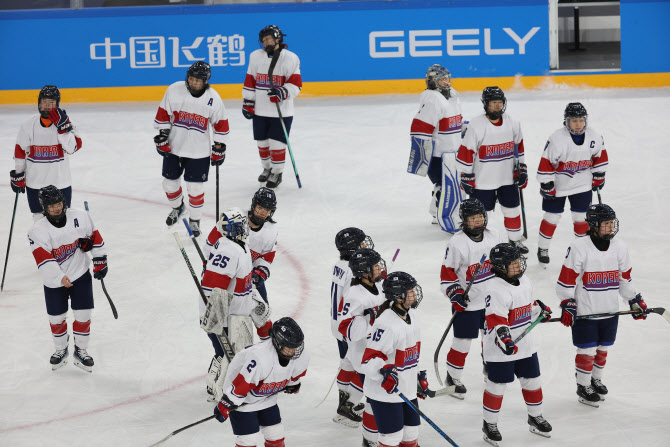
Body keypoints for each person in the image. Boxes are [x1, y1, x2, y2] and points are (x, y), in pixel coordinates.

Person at [556, 203, 647, 407]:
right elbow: (566, 280)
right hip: (586, 312)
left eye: (611, 223)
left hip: (610, 310)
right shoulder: (579, 247)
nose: (610, 227)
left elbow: (625, 280)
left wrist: (634, 299)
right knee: (587, 350)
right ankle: (583, 384)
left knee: (603, 348)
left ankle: (595, 379)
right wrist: (567, 301)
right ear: (594, 225)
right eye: (606, 224)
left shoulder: (620, 247)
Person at [27, 185, 107, 372]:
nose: (56, 208)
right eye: (51, 205)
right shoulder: (37, 231)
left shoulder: (80, 217)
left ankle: (81, 350)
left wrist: (100, 259)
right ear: (44, 208)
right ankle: (61, 349)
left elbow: (94, 237)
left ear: (64, 202)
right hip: (55, 281)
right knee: (56, 318)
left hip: (80, 274)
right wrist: (59, 276)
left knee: (83, 314)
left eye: (58, 203)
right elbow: (43, 259)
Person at [482, 243, 552, 445]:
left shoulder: (525, 281)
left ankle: (535, 416)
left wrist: (539, 311)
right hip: (500, 349)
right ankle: (490, 424)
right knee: (497, 386)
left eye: (517, 261)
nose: (518, 265)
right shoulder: (494, 289)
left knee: (533, 381)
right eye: (512, 263)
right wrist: (504, 339)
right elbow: (496, 319)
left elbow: (526, 308)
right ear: (500, 267)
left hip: (525, 344)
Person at [201, 207, 273, 402]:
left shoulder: (238, 243)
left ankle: (229, 388)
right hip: (226, 314)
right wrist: (218, 324)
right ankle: (220, 393)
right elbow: (214, 288)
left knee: (239, 353)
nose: (246, 228)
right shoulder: (227, 250)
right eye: (242, 225)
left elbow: (241, 280)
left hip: (239, 306)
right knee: (230, 355)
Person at [153, 61, 229, 236]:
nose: (194, 83)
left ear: (206, 81)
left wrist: (219, 146)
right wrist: (162, 136)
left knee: (195, 189)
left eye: (198, 80)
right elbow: (164, 114)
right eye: (192, 79)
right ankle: (178, 207)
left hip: (198, 152)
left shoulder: (213, 98)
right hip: (173, 148)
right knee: (169, 184)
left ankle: (195, 220)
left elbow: (221, 124)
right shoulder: (174, 89)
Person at [439, 198, 505, 398]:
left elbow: (503, 264)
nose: (477, 222)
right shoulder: (457, 243)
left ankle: (490, 367)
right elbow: (447, 274)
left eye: (480, 218)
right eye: (472, 219)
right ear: (464, 221)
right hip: (468, 302)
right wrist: (455, 293)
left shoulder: (494, 236)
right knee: (463, 341)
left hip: (491, 300)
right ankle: (453, 376)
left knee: (492, 337)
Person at [213, 317, 309, 447]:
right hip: (242, 399)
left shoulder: (299, 355)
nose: (294, 351)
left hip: (266, 397)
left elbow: (293, 375)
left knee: (275, 432)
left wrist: (293, 384)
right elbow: (241, 385)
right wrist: (226, 403)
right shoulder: (260, 358)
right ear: (277, 343)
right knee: (249, 439)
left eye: (296, 346)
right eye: (289, 347)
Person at [457, 87, 529, 254]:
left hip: (507, 177)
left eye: (500, 103)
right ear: (485, 105)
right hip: (483, 179)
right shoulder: (476, 125)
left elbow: (519, 147)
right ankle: (480, 243)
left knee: (512, 210)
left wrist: (521, 169)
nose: (497, 106)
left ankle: (515, 240)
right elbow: (466, 152)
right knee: (481, 214)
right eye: (493, 103)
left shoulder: (513, 123)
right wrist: (466, 175)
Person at [536, 102, 608, 265]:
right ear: (567, 121)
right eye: (574, 120)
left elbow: (599, 156)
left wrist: (599, 174)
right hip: (558, 183)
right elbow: (546, 161)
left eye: (581, 120)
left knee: (581, 217)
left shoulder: (594, 136)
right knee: (552, 217)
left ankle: (582, 251)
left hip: (582, 183)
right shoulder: (557, 138)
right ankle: (543, 247)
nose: (578, 124)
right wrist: (546, 183)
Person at [361, 271, 426, 447]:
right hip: (386, 393)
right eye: (410, 291)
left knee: (411, 434)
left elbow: (412, 353)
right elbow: (369, 360)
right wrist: (384, 372)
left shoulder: (413, 317)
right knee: (392, 438)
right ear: (398, 296)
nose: (414, 293)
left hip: (407, 388)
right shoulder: (385, 324)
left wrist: (418, 376)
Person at [337, 248, 387, 447]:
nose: (379, 268)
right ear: (365, 271)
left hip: (379, 350)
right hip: (365, 356)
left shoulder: (379, 286)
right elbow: (345, 330)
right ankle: (370, 440)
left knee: (377, 398)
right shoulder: (355, 295)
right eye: (375, 266)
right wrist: (370, 318)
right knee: (374, 400)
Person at [242, 25, 302, 188]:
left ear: (278, 38)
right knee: (262, 142)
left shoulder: (290, 58)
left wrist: (282, 92)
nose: (266, 42)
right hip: (260, 110)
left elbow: (296, 85)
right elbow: (250, 80)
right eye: (264, 40)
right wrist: (248, 102)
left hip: (281, 111)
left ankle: (277, 172)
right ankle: (267, 168)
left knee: (277, 144)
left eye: (269, 39)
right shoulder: (255, 56)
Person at [11, 85, 83, 222]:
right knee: (39, 221)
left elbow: (72, 148)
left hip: (61, 182)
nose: (47, 106)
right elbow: (20, 151)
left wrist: (63, 131)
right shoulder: (28, 124)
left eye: (51, 103)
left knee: (64, 220)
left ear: (57, 104)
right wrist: (19, 174)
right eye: (44, 102)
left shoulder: (67, 123)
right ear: (39, 103)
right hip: (35, 184)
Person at [408, 64, 464, 232]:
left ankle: (435, 211)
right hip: (439, 154)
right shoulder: (433, 99)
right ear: (433, 82)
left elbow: (456, 123)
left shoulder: (452, 96)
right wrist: (423, 155)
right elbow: (420, 128)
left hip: (453, 152)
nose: (446, 83)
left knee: (446, 184)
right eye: (442, 80)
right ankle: (444, 216)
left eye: (447, 79)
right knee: (446, 184)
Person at [331, 228, 375, 427]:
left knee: (348, 362)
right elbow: (354, 301)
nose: (365, 245)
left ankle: (344, 405)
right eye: (361, 243)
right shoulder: (352, 270)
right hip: (349, 327)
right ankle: (349, 405)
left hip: (337, 324)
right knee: (361, 364)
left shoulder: (340, 265)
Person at [248, 187, 278, 304]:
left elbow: (267, 257)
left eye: (267, 210)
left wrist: (259, 273)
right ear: (254, 205)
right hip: (228, 273)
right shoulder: (237, 218)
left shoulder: (270, 231)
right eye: (260, 208)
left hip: (249, 276)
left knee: (263, 312)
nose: (262, 213)